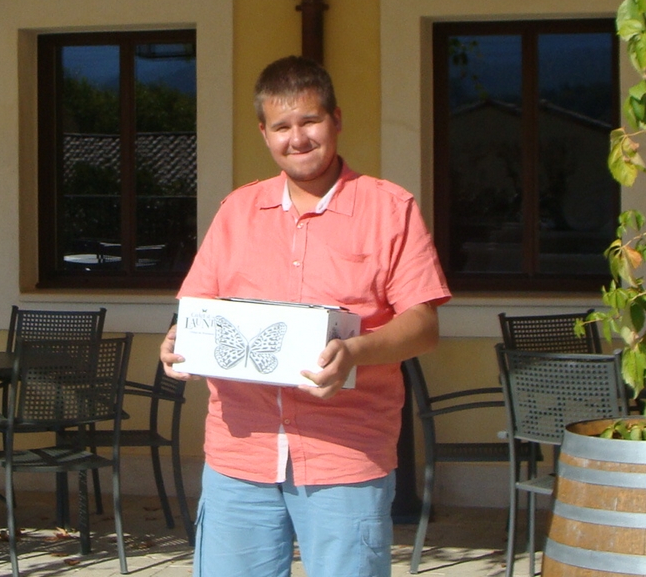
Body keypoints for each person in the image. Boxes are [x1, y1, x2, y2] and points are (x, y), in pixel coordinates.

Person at [160, 55, 450, 577]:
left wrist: (355, 351)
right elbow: (196, 309)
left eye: (310, 121)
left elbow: (424, 325)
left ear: (336, 119)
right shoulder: (237, 212)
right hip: (239, 456)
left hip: (346, 455)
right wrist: (177, 341)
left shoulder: (389, 209)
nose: (297, 138)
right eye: (281, 126)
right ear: (263, 132)